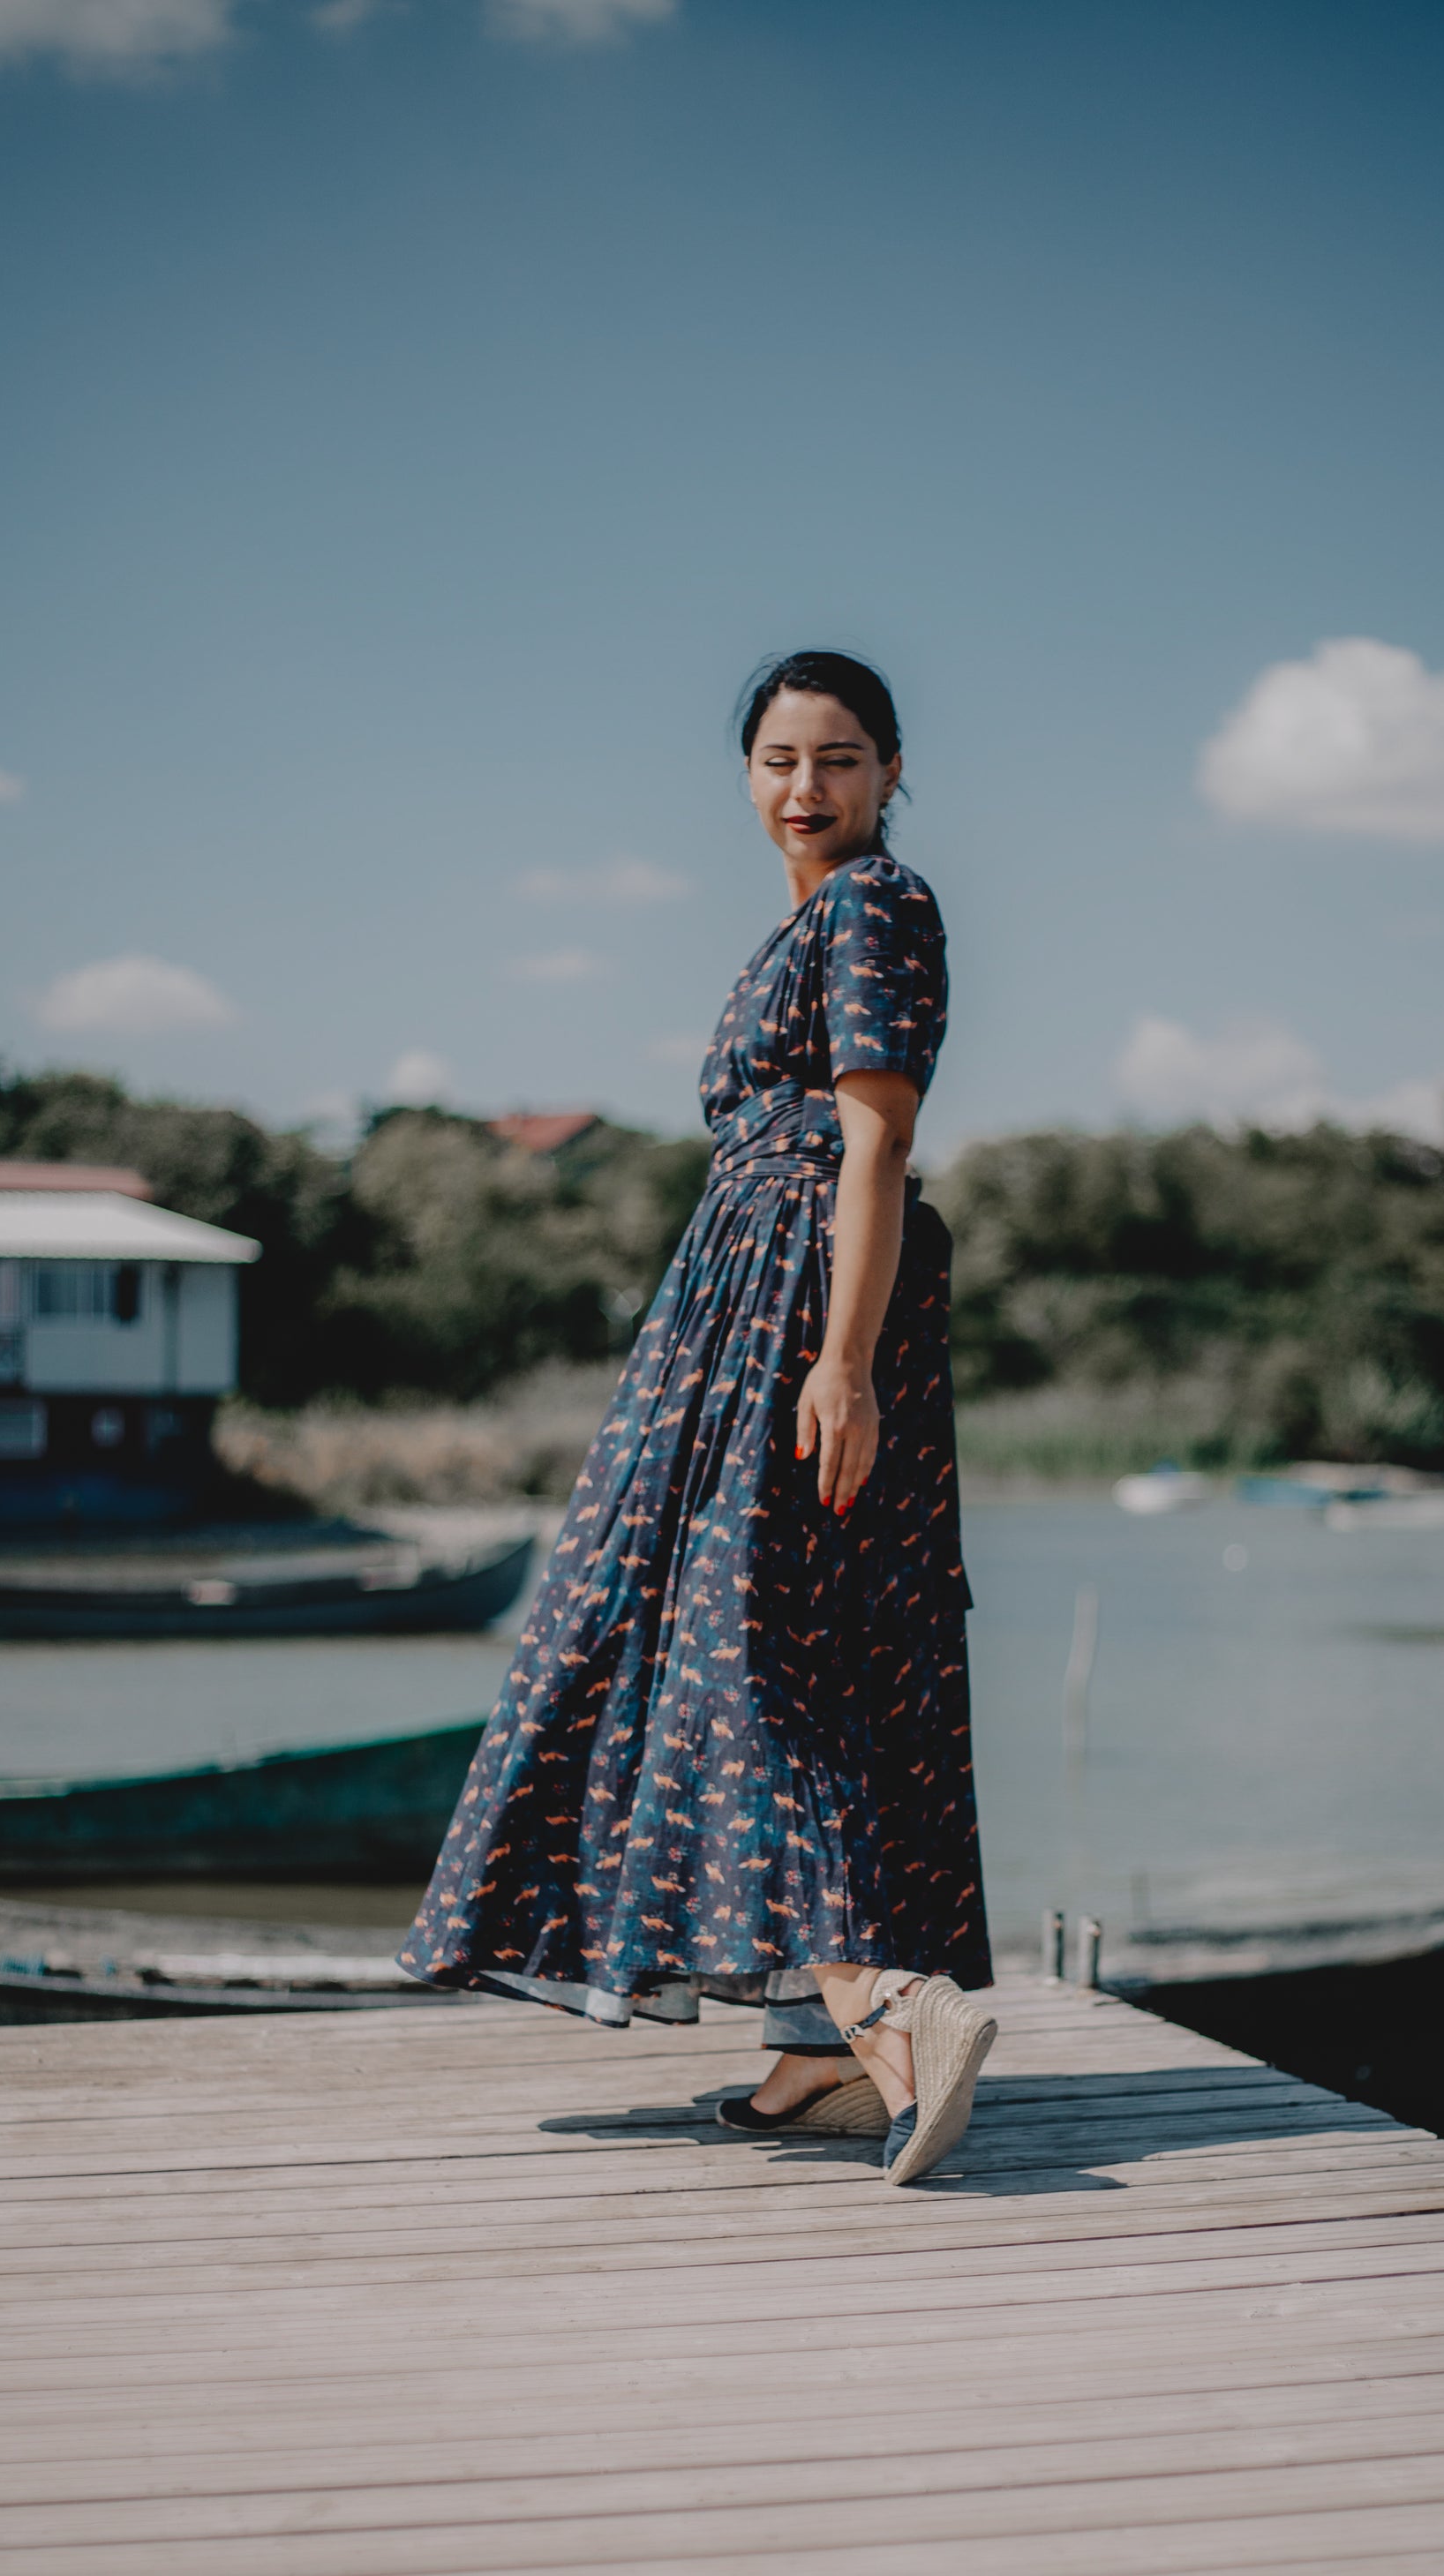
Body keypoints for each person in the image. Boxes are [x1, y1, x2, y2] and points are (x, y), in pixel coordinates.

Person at [402, 649, 995, 2183]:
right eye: (781, 760)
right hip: (741, 1302)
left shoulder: (876, 906)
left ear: (891, 773)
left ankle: (879, 1999)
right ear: (746, 776)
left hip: (803, 1298)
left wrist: (842, 1363)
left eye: (841, 758)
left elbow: (875, 1146)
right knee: (787, 1644)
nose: (808, 787)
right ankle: (820, 2058)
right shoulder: (806, 922)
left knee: (738, 1648)